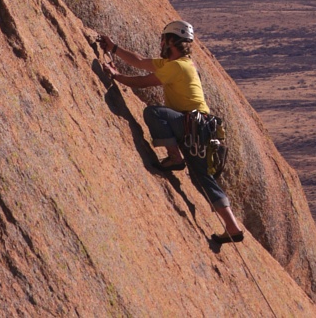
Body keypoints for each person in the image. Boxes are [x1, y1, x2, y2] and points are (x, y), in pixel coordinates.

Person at [96, 19, 246, 244]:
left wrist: (116, 76)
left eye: (164, 39)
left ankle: (175, 157)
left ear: (171, 41)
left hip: (193, 126)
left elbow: (145, 81)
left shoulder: (178, 66)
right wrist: (114, 49)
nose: (161, 43)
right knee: (203, 179)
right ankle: (232, 228)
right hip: (199, 129)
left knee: (154, 113)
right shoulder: (178, 63)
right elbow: (140, 61)